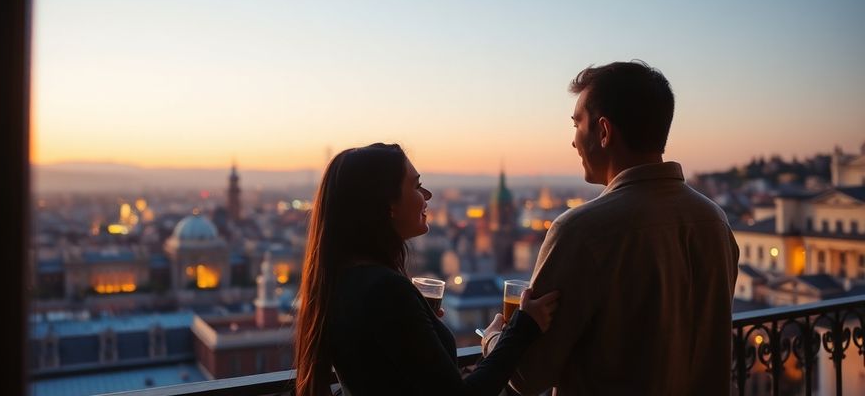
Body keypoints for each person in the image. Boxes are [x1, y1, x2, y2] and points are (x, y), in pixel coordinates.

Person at [481, 61, 740, 395]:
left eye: (577, 124)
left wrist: (492, 339)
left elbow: (528, 376)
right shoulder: (715, 221)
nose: (574, 142)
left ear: (603, 132)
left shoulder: (580, 231)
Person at [294, 143, 560, 396]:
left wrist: (420, 320)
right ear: (389, 205)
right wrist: (521, 329)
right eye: (417, 185)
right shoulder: (386, 289)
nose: (428, 195)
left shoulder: (341, 279)